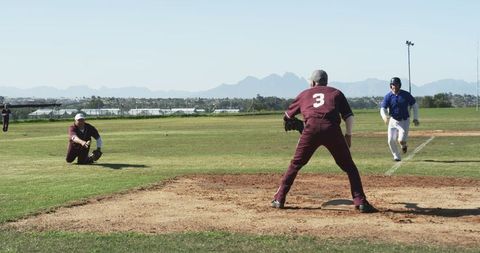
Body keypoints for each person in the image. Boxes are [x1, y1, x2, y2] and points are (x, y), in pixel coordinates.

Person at [272, 69, 377, 213]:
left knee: (296, 164)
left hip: (311, 130)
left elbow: (287, 117)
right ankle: (360, 201)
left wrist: (300, 125)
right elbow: (349, 117)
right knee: (349, 167)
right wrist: (348, 135)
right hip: (332, 129)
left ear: (314, 82)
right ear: (326, 82)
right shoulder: (336, 93)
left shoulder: (304, 94)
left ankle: (279, 198)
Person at [380, 77, 419, 162]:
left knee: (401, 140)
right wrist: (384, 117)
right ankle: (396, 156)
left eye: (396, 84)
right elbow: (383, 108)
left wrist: (415, 118)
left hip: (404, 121)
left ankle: (403, 145)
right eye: (393, 84)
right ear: (390, 86)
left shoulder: (406, 94)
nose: (394, 86)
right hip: (393, 120)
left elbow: (415, 105)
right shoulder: (388, 96)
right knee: (390, 140)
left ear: (399, 85)